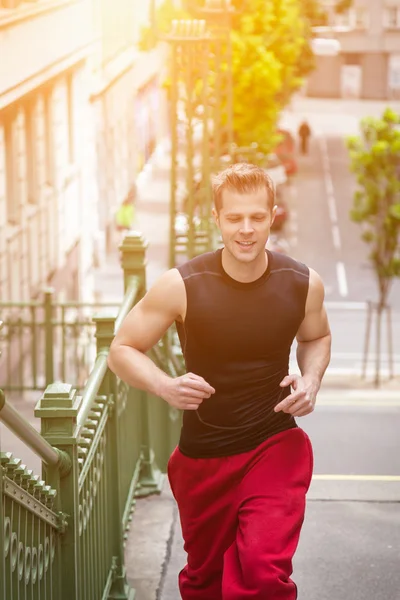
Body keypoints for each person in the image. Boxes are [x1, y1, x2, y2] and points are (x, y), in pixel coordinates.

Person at [107, 163, 331, 599]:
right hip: (203, 459)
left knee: (264, 573)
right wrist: (165, 386)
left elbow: (317, 336)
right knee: (205, 583)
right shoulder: (181, 286)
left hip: (275, 446)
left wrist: (311, 378)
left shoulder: (302, 283)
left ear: (272, 216)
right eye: (234, 218)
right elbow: (122, 349)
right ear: (216, 219)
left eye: (256, 217)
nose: (246, 230)